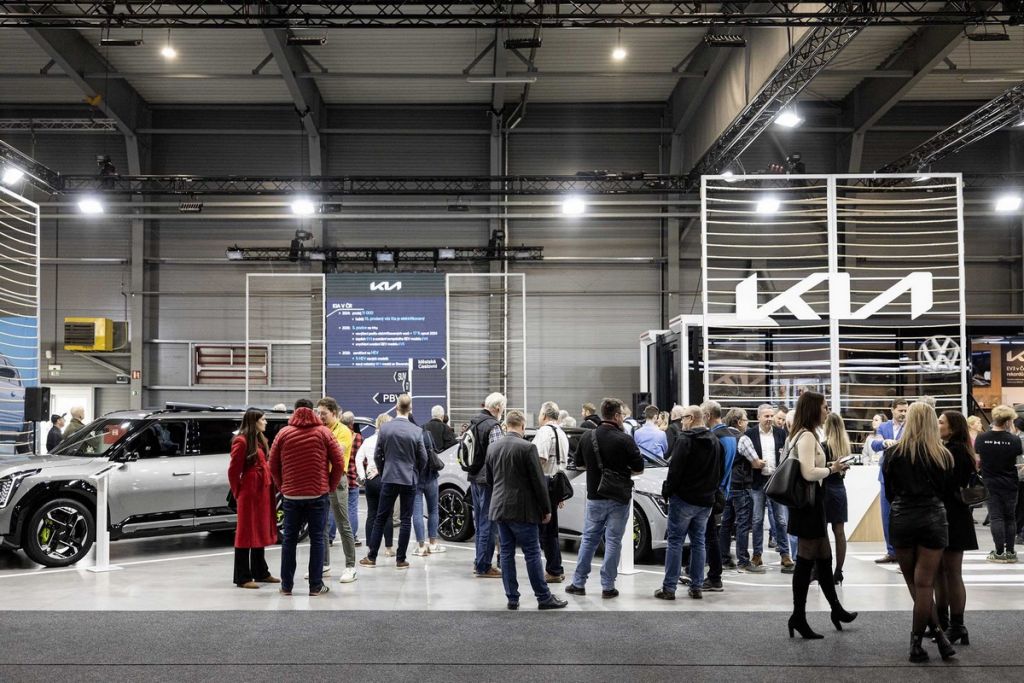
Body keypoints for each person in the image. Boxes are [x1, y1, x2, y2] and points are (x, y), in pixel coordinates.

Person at [883, 402, 956, 662]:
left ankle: (932, 637)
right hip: (933, 518)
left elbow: (889, 493)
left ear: (910, 421)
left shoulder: (893, 454)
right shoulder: (943, 455)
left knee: (914, 584)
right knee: (925, 584)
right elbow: (947, 492)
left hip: (902, 517)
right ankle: (928, 638)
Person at [786, 391, 856, 640]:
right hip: (808, 505)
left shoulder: (803, 434)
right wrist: (832, 469)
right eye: (825, 407)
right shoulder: (806, 436)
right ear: (813, 409)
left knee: (824, 556)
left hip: (812, 504)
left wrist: (829, 468)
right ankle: (798, 616)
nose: (827, 411)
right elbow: (808, 473)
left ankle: (835, 609)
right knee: (806, 560)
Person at [485, 410, 568, 611]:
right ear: (522, 426)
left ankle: (512, 598)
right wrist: (546, 509)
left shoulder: (493, 448)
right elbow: (538, 483)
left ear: (506, 426)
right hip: (523, 511)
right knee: (532, 553)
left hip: (499, 508)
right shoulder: (528, 448)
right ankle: (543, 597)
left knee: (506, 553)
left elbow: (489, 480)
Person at [565, 398, 644, 599]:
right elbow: (639, 468)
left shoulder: (587, 437)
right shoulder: (624, 439)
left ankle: (578, 583)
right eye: (622, 415)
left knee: (589, 539)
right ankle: (608, 586)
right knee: (613, 541)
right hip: (619, 498)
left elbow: (579, 465)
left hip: (595, 496)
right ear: (616, 416)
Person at [269, 398, 344, 596]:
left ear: (294, 411)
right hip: (318, 494)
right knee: (317, 539)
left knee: (289, 540)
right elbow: (339, 462)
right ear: (313, 411)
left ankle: (286, 586)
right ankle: (315, 586)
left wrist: (282, 485)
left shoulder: (283, 433)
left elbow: (272, 464)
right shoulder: (324, 433)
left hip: (291, 496)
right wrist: (330, 485)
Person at [656, 406, 722, 600]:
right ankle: (696, 587)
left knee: (675, 542)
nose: (681, 422)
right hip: (705, 501)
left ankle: (669, 588)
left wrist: (668, 491)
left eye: (683, 418)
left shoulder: (685, 440)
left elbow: (675, 471)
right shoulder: (714, 441)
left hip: (683, 500)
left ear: (691, 418)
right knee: (698, 543)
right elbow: (718, 471)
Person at [360, 394, 428, 570]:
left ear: (396, 407)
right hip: (409, 479)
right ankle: (401, 559)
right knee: (406, 519)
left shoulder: (385, 429)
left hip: (389, 477)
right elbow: (423, 458)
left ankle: (372, 557)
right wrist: (415, 471)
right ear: (410, 409)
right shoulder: (416, 431)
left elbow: (377, 455)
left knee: (380, 517)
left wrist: (383, 471)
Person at [936, 410, 978, 645]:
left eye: (941, 422)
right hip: (955, 514)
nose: (937, 425)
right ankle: (949, 624)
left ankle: (955, 625)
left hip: (951, 515)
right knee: (946, 572)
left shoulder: (953, 452)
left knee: (950, 572)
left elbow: (945, 485)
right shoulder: (960, 450)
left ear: (952, 428)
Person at [227, 409, 279, 589]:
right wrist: (238, 492)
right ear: (254, 421)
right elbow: (233, 471)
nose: (266, 422)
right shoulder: (241, 441)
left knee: (259, 530)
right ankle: (242, 576)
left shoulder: (259, 440)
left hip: (261, 490)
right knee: (245, 533)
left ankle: (261, 572)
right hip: (249, 491)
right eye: (263, 419)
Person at [742, 404, 793, 572]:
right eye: (766, 416)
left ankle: (785, 554)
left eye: (771, 416)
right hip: (758, 482)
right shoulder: (749, 434)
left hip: (776, 481)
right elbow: (744, 456)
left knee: (781, 519)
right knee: (757, 520)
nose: (770, 419)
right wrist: (754, 463)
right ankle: (757, 554)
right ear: (759, 417)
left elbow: (787, 455)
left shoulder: (781, 433)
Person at [315, 398, 357, 584]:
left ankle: (350, 566)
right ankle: (324, 565)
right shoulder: (321, 429)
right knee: (321, 524)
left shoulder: (343, 431)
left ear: (334, 413)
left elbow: (335, 453)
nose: (320, 416)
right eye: (318, 413)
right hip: (320, 479)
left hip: (337, 479)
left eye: (324, 413)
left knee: (342, 523)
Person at [466, 392, 507, 578]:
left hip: (474, 478)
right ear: (497, 408)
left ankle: (479, 561)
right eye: (503, 408)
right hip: (488, 481)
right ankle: (484, 566)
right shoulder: (493, 426)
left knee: (480, 523)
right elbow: (497, 457)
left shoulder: (474, 422)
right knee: (488, 525)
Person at [974, 404, 1022, 564]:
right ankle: (1010, 552)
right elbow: (1017, 459)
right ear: (1008, 421)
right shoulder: (1014, 440)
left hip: (990, 481)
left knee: (996, 517)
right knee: (1010, 517)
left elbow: (978, 460)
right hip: (1010, 482)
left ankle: (999, 552)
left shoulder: (982, 438)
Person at [720, 408, 762, 574]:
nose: (747, 423)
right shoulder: (742, 439)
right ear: (738, 422)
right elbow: (756, 462)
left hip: (725, 486)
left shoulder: (721, 436)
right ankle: (743, 560)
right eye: (745, 420)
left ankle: (724, 558)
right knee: (743, 524)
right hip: (741, 486)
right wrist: (764, 463)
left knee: (725, 523)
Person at [532, 400, 570, 582]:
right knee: (552, 530)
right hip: (557, 483)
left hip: (545, 483)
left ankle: (554, 570)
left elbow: (540, 459)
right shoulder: (561, 433)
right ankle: (556, 568)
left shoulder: (545, 432)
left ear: (544, 415)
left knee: (544, 531)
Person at [871, 398, 910, 564]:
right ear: (892, 410)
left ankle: (905, 553)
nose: (903, 414)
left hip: (905, 477)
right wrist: (884, 442)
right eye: (900, 410)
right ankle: (891, 552)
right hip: (886, 477)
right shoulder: (883, 427)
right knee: (886, 515)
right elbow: (874, 444)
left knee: (904, 516)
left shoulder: (911, 426)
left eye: (905, 410)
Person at [703, 400, 735, 593]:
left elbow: (713, 469)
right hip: (723, 491)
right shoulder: (730, 435)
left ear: (707, 415)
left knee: (709, 535)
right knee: (709, 534)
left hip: (713, 492)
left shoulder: (714, 437)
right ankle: (698, 570)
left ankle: (714, 576)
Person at [358, 413, 394, 556]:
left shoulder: (368, 440)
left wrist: (363, 477)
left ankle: (370, 547)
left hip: (370, 481)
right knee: (388, 515)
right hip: (385, 478)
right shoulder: (390, 440)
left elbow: (358, 458)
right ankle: (388, 548)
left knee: (371, 514)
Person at [822, 412, 851, 585]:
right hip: (840, 490)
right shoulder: (845, 447)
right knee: (839, 532)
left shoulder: (823, 446)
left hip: (825, 489)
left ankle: (825, 568)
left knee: (823, 531)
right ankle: (839, 571)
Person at [412, 414, 446, 557]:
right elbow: (435, 451)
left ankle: (421, 547)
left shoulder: (409, 437)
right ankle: (433, 543)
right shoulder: (426, 434)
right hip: (431, 476)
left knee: (417, 513)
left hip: (415, 478)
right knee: (433, 510)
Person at [341, 411, 363, 546]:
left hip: (339, 477)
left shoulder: (337, 435)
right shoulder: (358, 437)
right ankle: (352, 537)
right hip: (353, 477)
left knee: (334, 508)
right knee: (352, 509)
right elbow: (362, 458)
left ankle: (330, 537)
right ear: (352, 423)